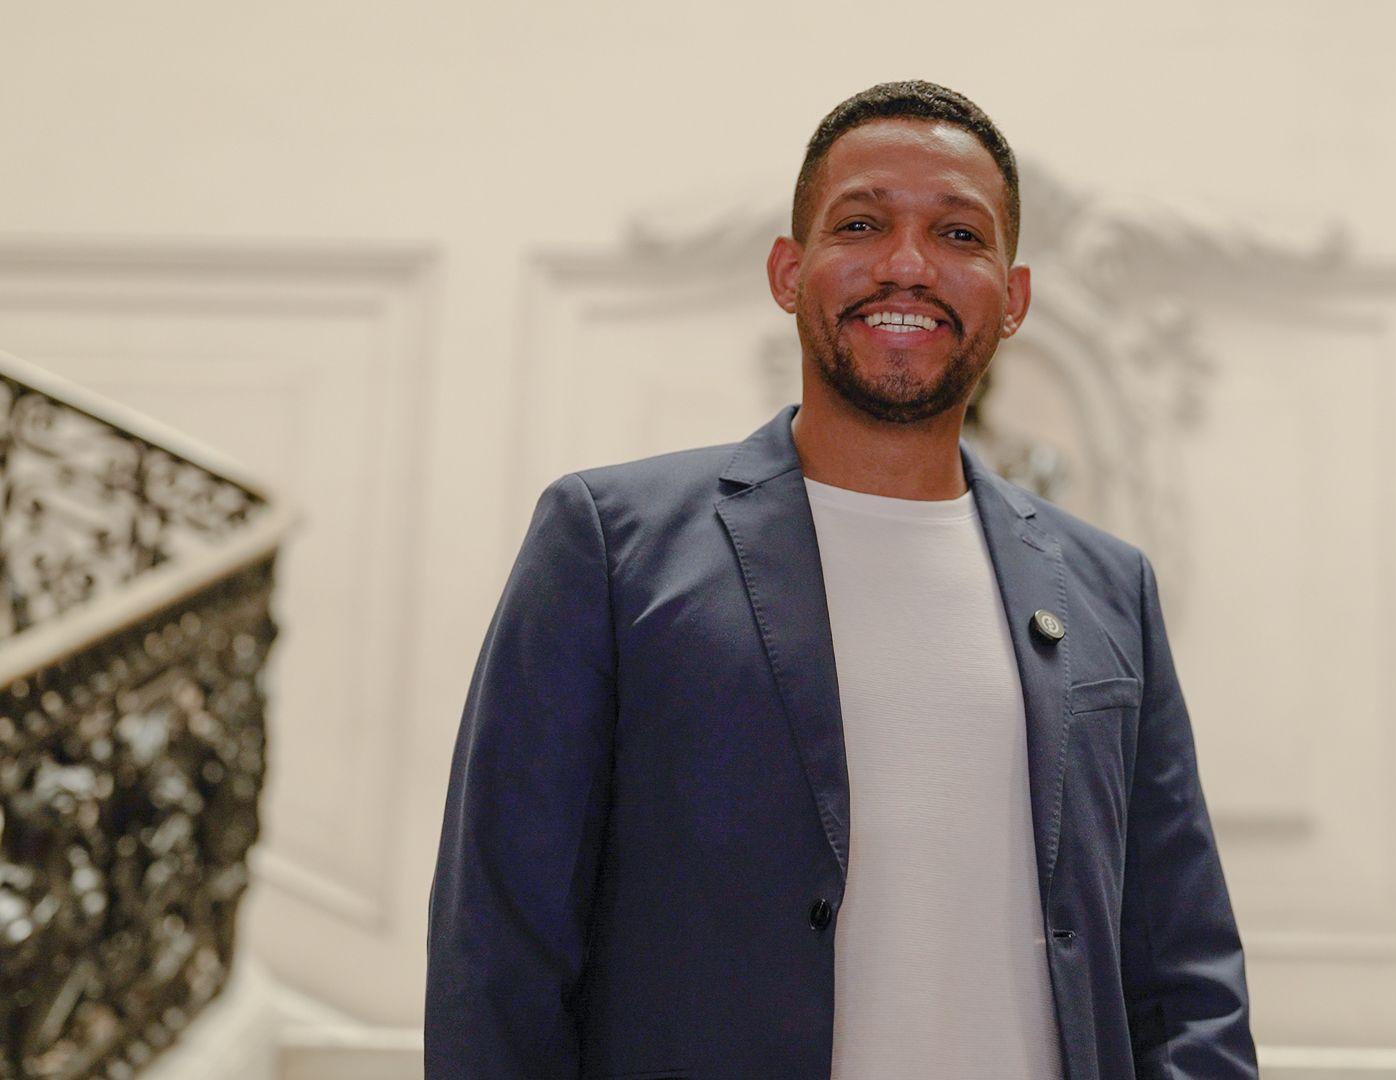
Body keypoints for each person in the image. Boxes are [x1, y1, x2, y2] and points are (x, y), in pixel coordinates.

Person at [426, 80, 1256, 1079]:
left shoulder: (1107, 587)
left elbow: (1187, 975)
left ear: (1015, 294)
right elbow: (502, 950)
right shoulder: (609, 546)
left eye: (958, 234)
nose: (907, 266)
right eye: (861, 223)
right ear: (788, 270)